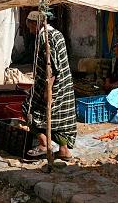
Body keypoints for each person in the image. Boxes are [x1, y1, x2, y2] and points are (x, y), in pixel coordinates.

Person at [22, 11, 77, 161]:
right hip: (64, 85)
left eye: (30, 27)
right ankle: (64, 151)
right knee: (60, 119)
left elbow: (51, 66)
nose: (29, 30)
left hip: (53, 85)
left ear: (35, 23)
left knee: (29, 108)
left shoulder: (45, 37)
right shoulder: (57, 34)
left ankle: (43, 144)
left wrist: (48, 90)